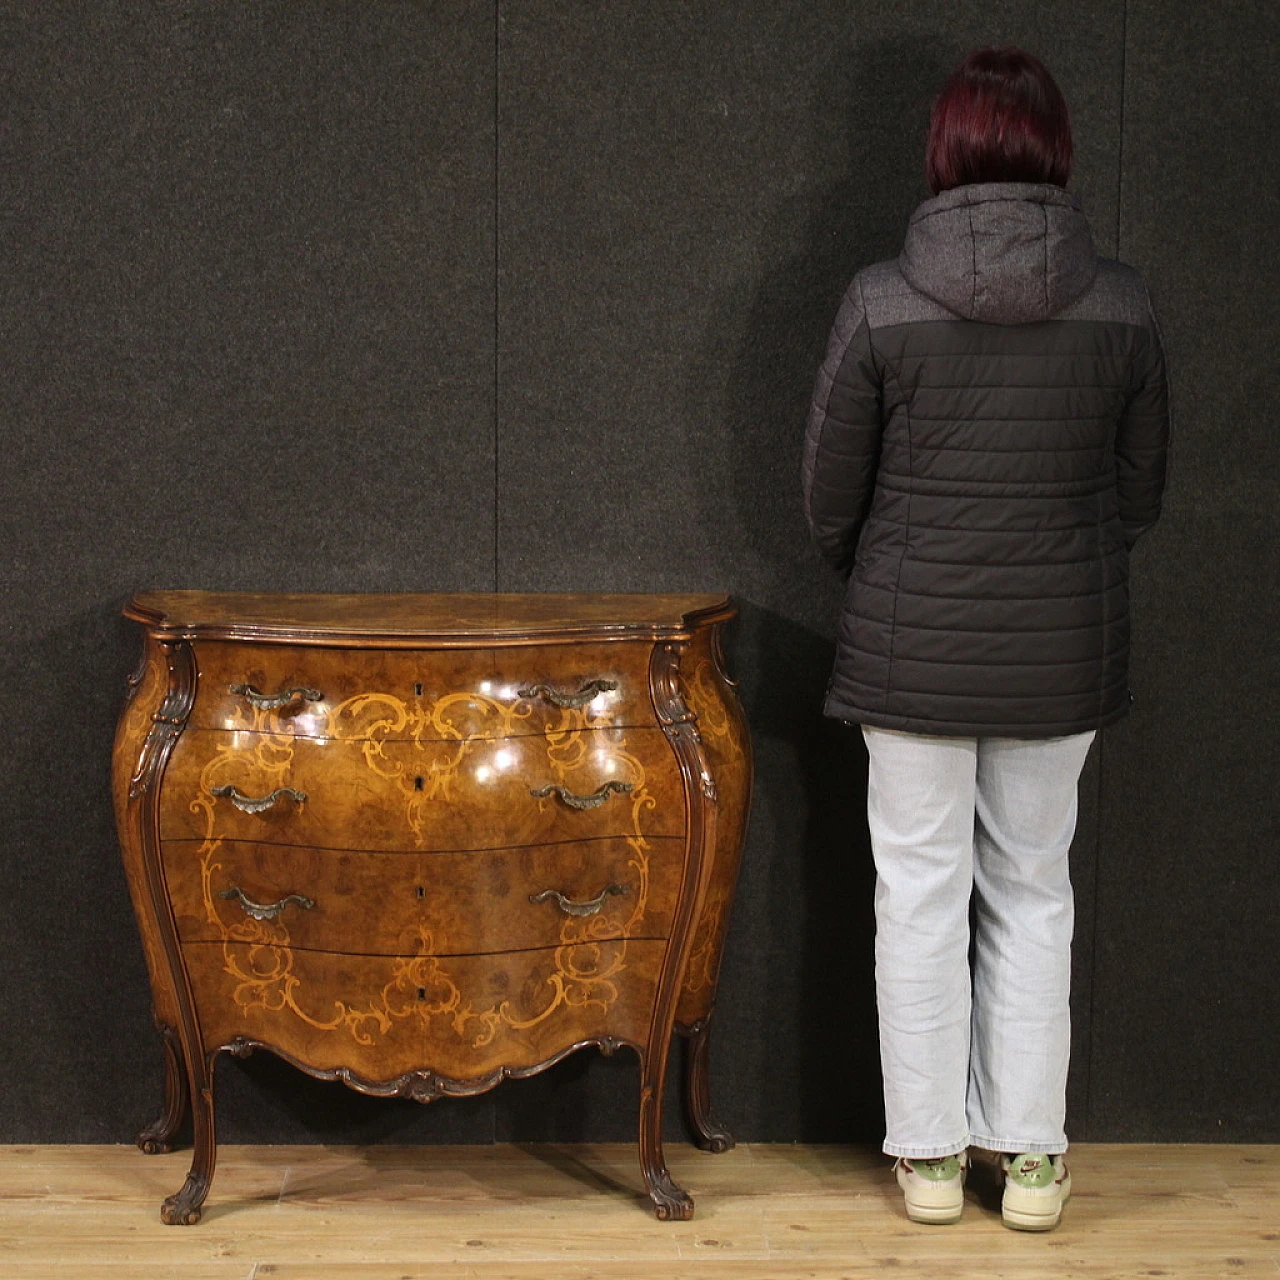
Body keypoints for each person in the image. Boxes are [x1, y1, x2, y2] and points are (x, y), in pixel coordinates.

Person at [801, 46, 1170, 1231]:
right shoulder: (1119, 301)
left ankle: (922, 1163)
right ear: (1052, 148)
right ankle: (1030, 1165)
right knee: (1030, 890)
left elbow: (826, 495)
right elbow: (1139, 492)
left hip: (907, 648)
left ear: (943, 151)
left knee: (914, 892)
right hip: (1058, 651)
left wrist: (891, 573)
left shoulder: (878, 298)